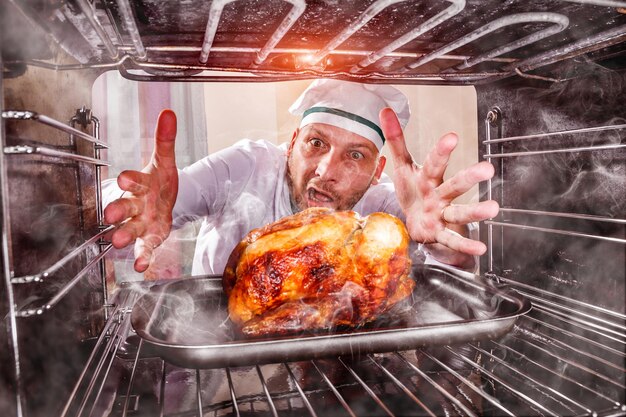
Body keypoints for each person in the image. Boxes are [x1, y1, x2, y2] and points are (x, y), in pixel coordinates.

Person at [102, 79, 498, 276]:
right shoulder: (246, 167)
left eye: (355, 155)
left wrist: (446, 246)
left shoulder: (387, 208)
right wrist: (130, 206)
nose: (326, 171)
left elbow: (455, 265)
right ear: (291, 144)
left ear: (377, 172)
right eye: (316, 144)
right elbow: (154, 203)